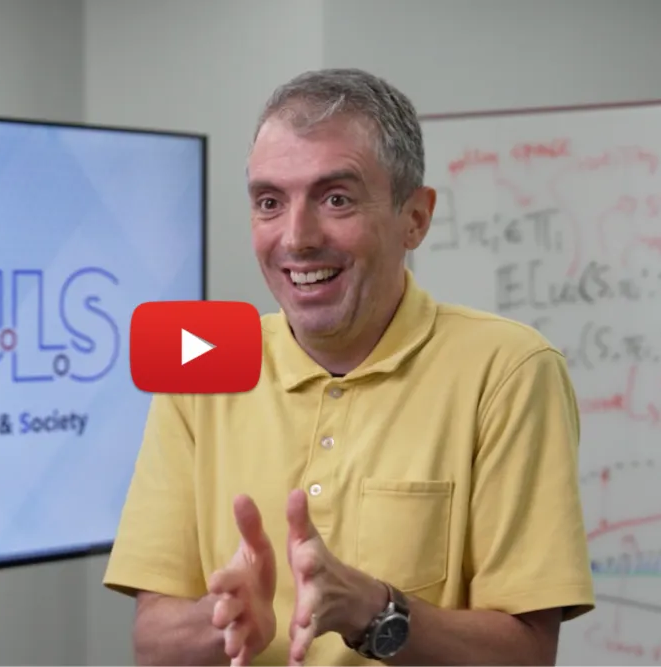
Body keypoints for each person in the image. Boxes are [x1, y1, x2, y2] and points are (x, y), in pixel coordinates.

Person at [103, 67, 595, 666]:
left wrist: (375, 611)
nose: (297, 237)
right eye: (269, 202)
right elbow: (152, 647)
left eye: (336, 198)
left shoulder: (510, 372)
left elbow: (526, 657)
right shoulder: (198, 369)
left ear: (415, 217)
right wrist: (226, 622)